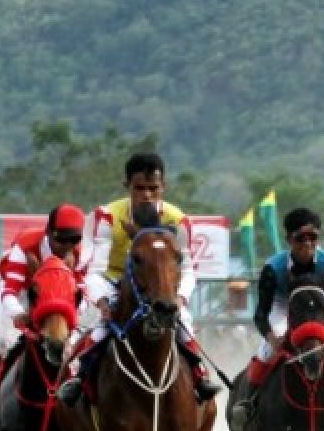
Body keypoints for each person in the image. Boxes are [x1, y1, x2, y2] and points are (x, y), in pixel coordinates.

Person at [57, 152, 219, 406]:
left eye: (153, 189)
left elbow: (188, 269)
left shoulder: (178, 220)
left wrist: (179, 298)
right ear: (127, 187)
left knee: (183, 321)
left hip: (159, 287)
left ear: (163, 187)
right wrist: (102, 303)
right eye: (139, 188)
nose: (146, 195)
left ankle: (199, 376)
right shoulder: (107, 217)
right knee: (98, 328)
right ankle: (78, 379)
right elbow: (93, 270)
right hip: (113, 284)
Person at [227, 207, 324, 431]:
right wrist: (272, 338)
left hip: (316, 307)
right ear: (288, 239)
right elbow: (260, 314)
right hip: (283, 305)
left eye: (313, 237)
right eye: (300, 239)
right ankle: (249, 405)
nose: (307, 244)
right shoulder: (272, 268)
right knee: (266, 350)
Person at [0, 204, 90, 427]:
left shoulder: (80, 253)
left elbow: (82, 295)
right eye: (61, 240)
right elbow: (10, 291)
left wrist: (72, 322)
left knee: (77, 346)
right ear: (48, 231)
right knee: (0, 342)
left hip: (60, 301)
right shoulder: (26, 245)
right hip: (22, 294)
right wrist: (19, 314)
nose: (66, 247)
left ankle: (82, 399)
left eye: (73, 240)